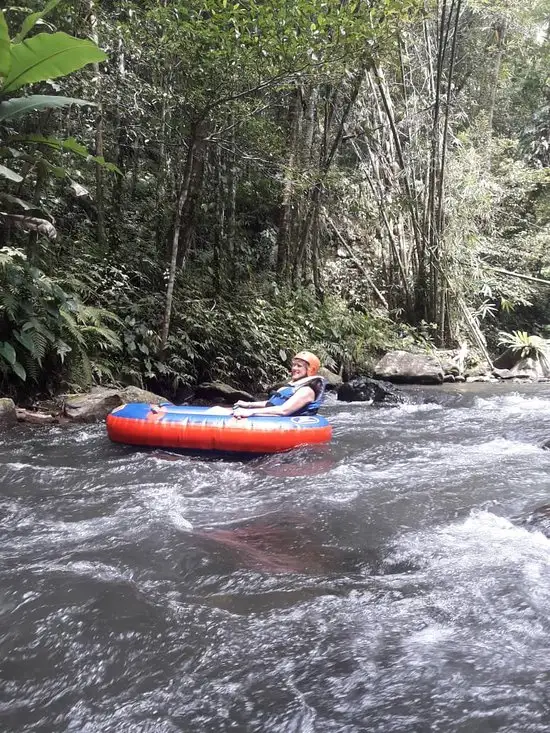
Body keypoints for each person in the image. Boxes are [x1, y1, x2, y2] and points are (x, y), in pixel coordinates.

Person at [233, 350, 325, 419]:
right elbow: (272, 403)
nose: (294, 368)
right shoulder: (295, 386)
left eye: (299, 366)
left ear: (310, 370)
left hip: (289, 423)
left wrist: (250, 412)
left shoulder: (306, 391)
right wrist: (248, 404)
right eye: (293, 365)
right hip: (276, 417)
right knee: (219, 410)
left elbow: (283, 410)